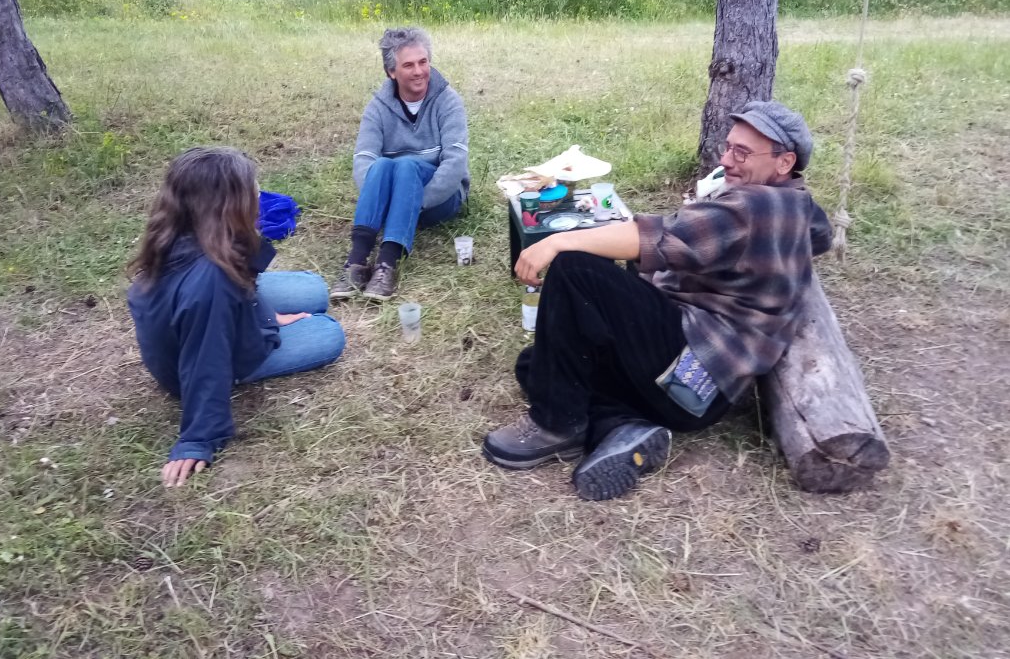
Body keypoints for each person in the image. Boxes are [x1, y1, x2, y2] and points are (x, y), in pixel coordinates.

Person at [482, 101, 833, 501]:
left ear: (785, 161)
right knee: (539, 366)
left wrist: (558, 239)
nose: (726, 159)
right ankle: (621, 427)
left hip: (689, 374)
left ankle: (556, 425)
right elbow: (819, 236)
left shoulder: (756, 206)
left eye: (742, 152)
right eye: (728, 147)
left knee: (574, 269)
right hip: (702, 393)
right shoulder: (798, 205)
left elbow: (663, 240)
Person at [127, 147, 346, 487]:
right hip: (194, 356)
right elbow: (206, 356)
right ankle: (260, 329)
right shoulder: (211, 283)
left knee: (314, 288)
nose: (259, 194)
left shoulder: (189, 232)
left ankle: (262, 315)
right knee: (328, 333)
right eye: (252, 190)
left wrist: (268, 316)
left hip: (217, 310)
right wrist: (198, 439)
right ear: (225, 207)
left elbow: (237, 279)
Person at [331, 28, 470, 301]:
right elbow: (363, 160)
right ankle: (356, 261)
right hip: (396, 195)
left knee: (406, 165)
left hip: (439, 198)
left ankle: (387, 263)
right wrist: (386, 198)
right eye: (408, 65)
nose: (419, 71)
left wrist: (410, 202)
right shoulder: (378, 106)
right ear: (391, 72)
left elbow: (455, 165)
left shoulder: (448, 101)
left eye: (423, 62)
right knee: (381, 166)